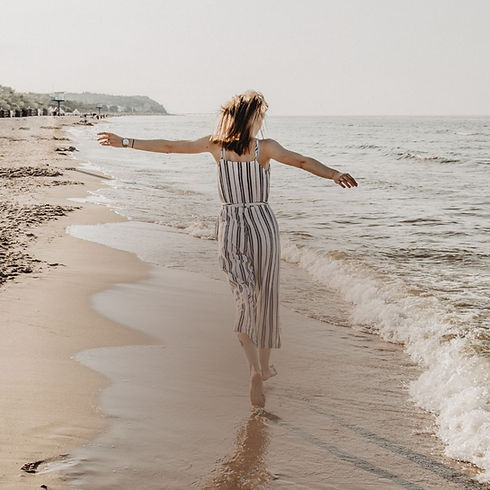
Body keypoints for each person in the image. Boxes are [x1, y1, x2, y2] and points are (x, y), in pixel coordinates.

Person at [97, 90, 358, 408]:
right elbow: (302, 162)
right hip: (262, 224)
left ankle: (254, 369)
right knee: (264, 297)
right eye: (262, 114)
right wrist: (334, 174)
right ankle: (262, 368)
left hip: (231, 224)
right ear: (253, 117)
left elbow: (170, 148)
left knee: (244, 299)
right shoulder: (266, 148)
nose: (263, 119)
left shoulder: (215, 145)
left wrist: (125, 142)